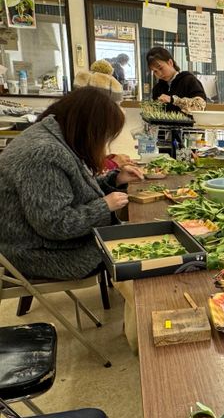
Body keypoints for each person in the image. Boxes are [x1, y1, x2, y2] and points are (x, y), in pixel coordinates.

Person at [0, 87, 143, 280]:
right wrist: (104, 206)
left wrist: (115, 179)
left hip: (45, 244)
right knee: (141, 246)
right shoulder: (44, 153)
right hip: (42, 254)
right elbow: (55, 224)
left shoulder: (52, 133)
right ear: (89, 127)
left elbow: (74, 189)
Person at [146, 47, 207, 113]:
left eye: (161, 68)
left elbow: (200, 106)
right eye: (155, 71)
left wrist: (174, 100)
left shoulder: (189, 80)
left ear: (170, 62)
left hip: (189, 123)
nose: (159, 74)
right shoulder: (157, 88)